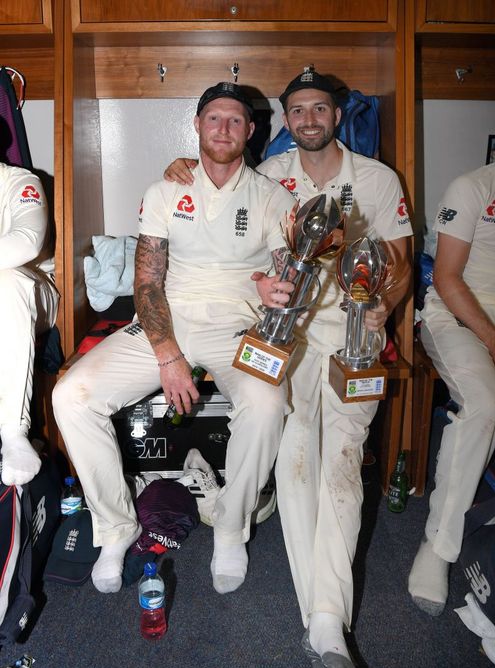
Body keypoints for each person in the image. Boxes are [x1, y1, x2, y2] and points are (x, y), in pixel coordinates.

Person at [164, 70, 413, 668]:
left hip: (356, 338)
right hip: (291, 338)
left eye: (319, 108)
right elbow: (218, 193)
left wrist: (384, 302)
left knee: (343, 465)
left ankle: (325, 617)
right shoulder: (272, 178)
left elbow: (401, 264)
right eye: (297, 109)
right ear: (285, 119)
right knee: (297, 457)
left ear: (336, 114)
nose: (308, 119)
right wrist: (181, 166)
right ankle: (326, 624)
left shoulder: (378, 180)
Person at [52, 82, 296, 596]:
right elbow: (146, 282)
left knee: (269, 403)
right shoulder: (166, 191)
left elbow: (282, 270)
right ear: (198, 126)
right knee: (70, 396)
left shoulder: (274, 198)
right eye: (214, 119)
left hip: (239, 327)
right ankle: (118, 527)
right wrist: (168, 354)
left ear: (251, 131)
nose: (224, 129)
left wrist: (280, 288)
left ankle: (231, 524)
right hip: (168, 320)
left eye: (235, 120)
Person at [408, 162, 495, 616]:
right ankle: (439, 546)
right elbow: (445, 278)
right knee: (486, 403)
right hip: (456, 315)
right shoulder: (474, 188)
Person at [0, 161, 59, 486]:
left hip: (33, 289)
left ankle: (13, 430)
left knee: (5, 281)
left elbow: (26, 241)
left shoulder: (20, 182)